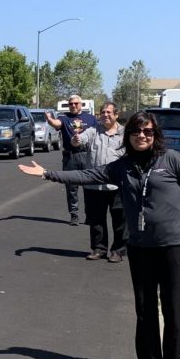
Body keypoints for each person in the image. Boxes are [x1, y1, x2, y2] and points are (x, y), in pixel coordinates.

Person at [18, 111, 180, 359]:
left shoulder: (171, 159)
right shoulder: (122, 167)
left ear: (155, 135)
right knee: (145, 310)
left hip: (173, 246)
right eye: (136, 132)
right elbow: (87, 175)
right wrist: (48, 173)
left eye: (147, 132)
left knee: (172, 309)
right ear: (128, 136)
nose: (141, 136)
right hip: (140, 246)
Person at [75, 101, 127, 262]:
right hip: (94, 184)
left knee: (120, 220)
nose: (105, 115)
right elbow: (79, 140)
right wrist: (76, 139)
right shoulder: (92, 131)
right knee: (96, 220)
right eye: (103, 112)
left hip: (118, 185)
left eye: (108, 112)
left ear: (116, 115)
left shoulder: (125, 134)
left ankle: (118, 251)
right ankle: (99, 249)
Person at [46, 95, 98, 225]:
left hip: (87, 155)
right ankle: (74, 215)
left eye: (76, 103)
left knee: (90, 187)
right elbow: (56, 124)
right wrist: (49, 120)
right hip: (70, 157)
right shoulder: (64, 118)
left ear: (81, 104)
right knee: (71, 187)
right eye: (71, 104)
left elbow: (98, 134)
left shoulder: (90, 118)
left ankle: (90, 215)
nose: (73, 106)